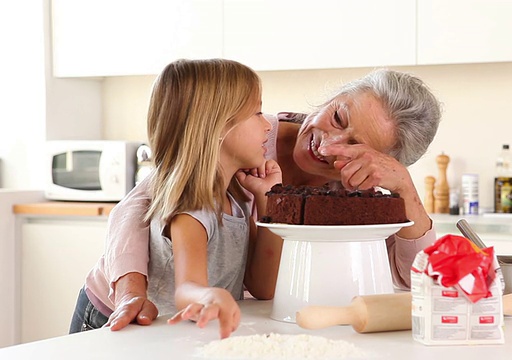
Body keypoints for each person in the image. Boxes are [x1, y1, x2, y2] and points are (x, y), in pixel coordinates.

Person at [103, 67, 443, 331]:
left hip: (237, 321)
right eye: (337, 117)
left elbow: (418, 282)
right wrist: (131, 292)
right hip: (136, 314)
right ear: (333, 97)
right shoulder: (239, 138)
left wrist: (406, 191)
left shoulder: (359, 191)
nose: (326, 147)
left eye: (355, 148)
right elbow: (143, 204)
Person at [69, 58, 282, 339]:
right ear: (217, 126)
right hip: (112, 319)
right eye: (258, 112)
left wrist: (269, 201)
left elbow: (263, 286)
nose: (268, 125)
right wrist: (208, 296)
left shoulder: (237, 198)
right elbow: (187, 290)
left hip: (161, 333)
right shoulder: (191, 207)